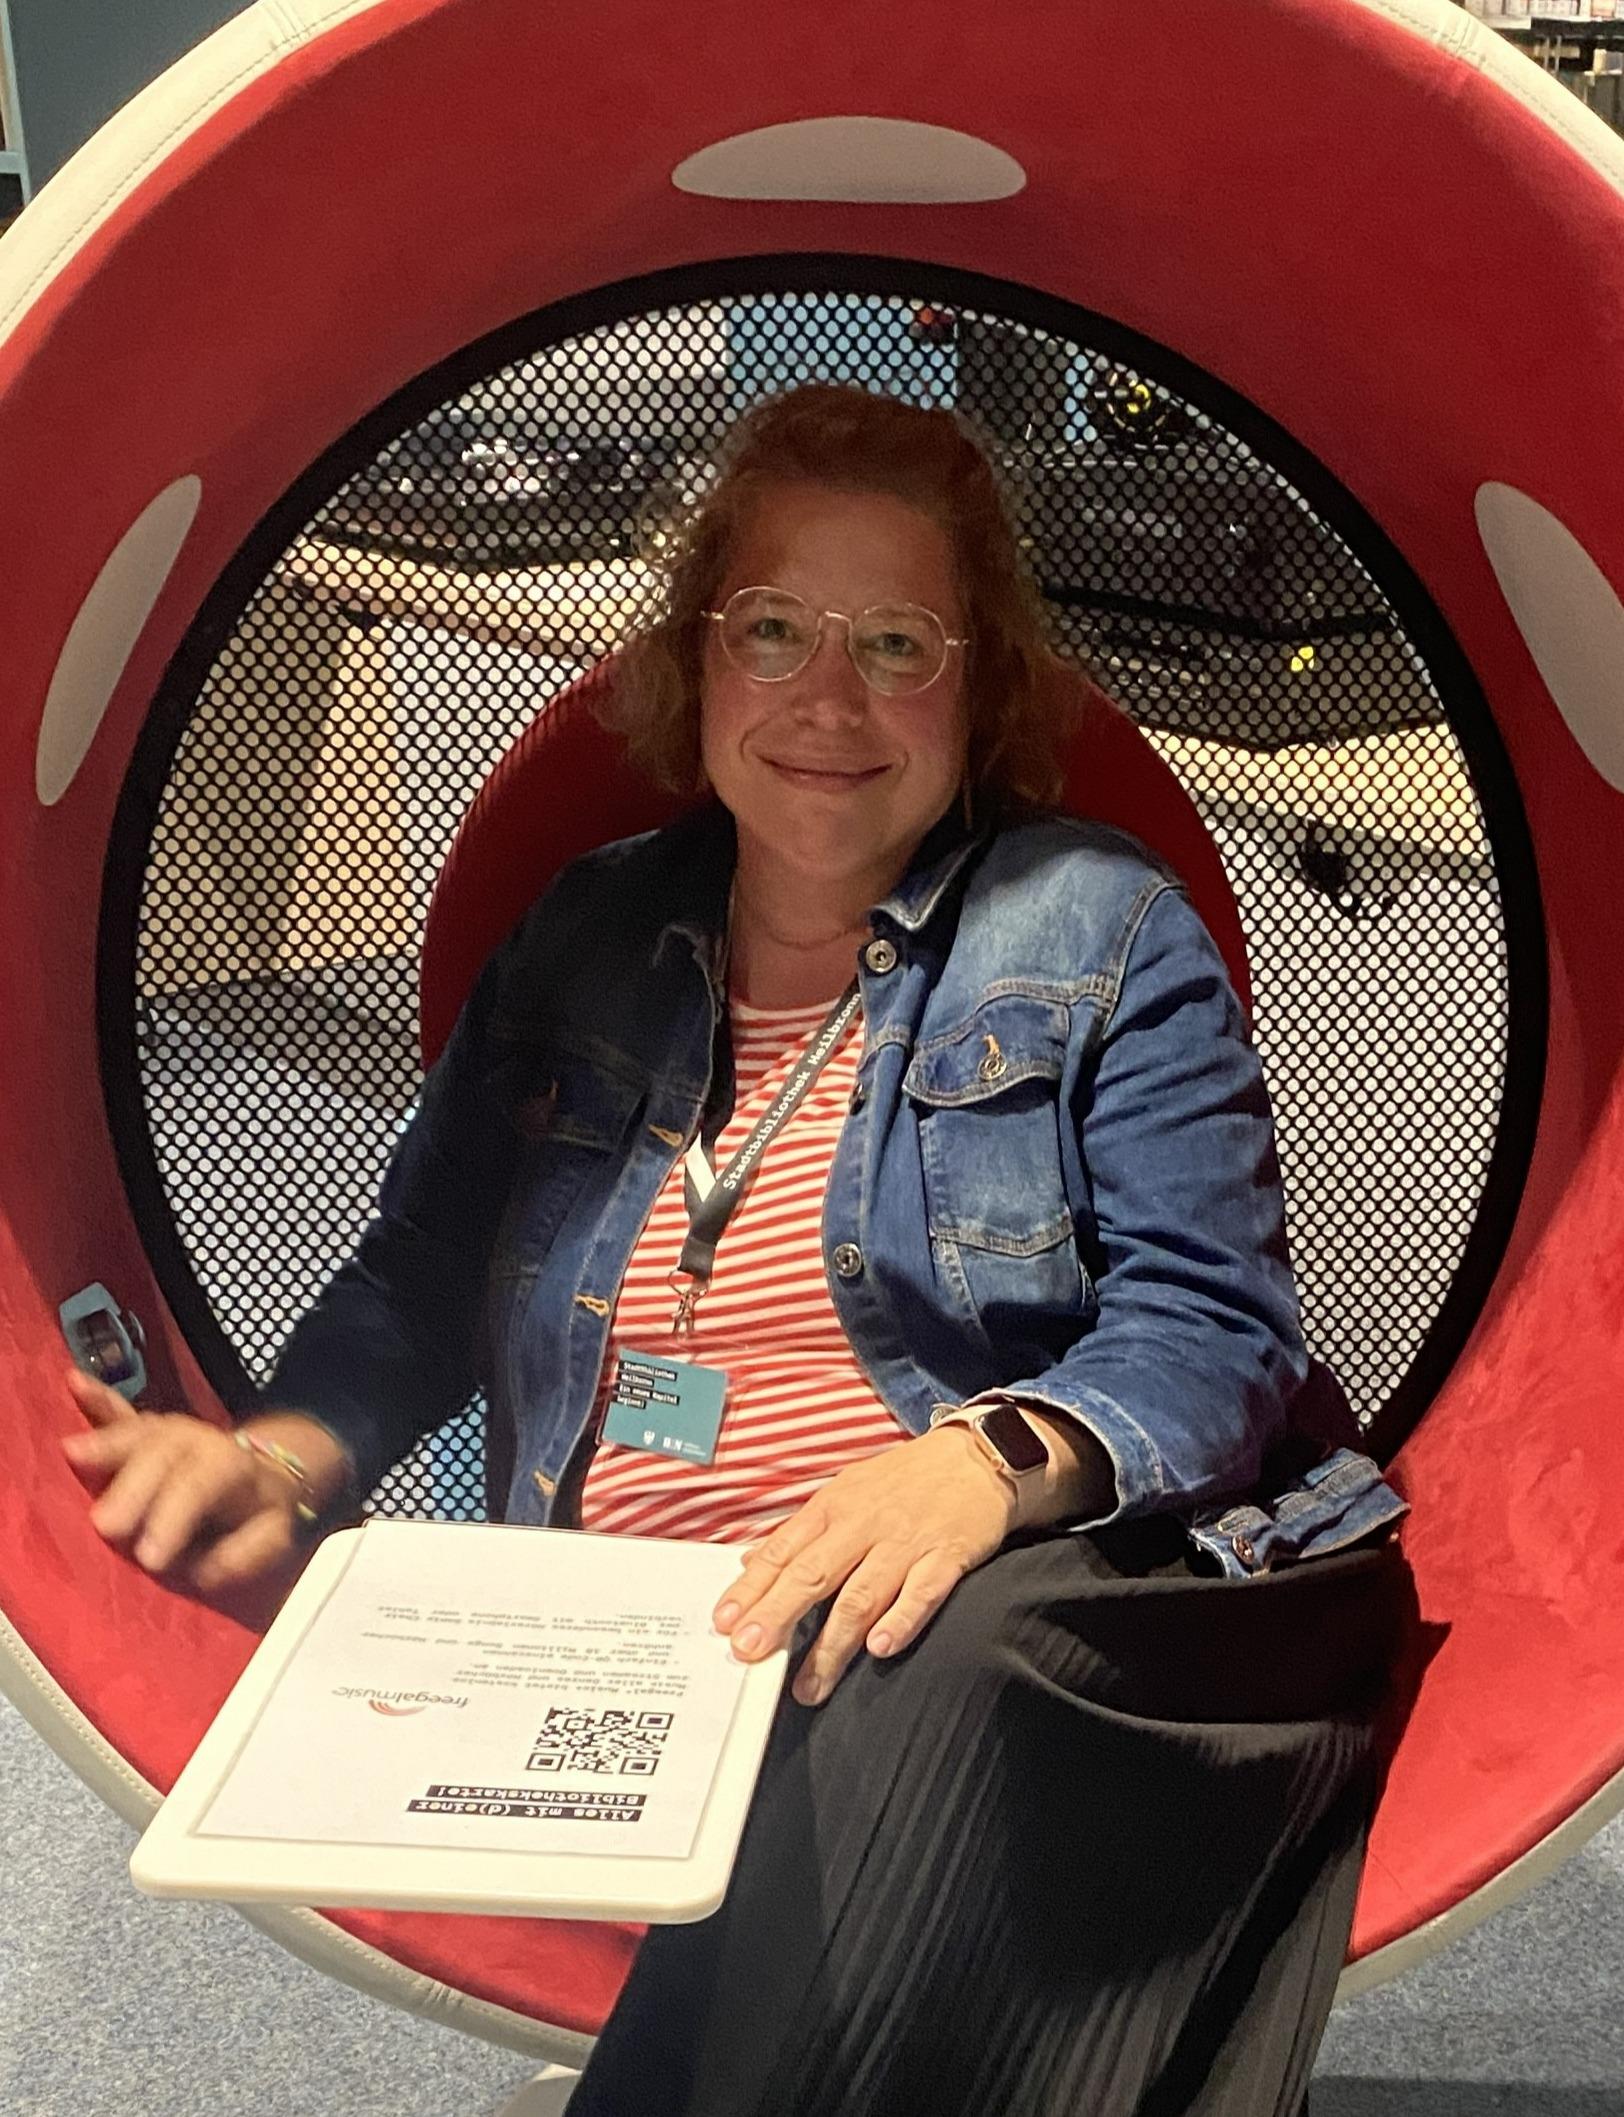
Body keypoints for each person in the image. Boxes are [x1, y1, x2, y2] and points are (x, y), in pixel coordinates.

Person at [63, 383, 1414, 2116]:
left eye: (898, 644)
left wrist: (984, 1463)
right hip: (632, 1653)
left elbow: (1216, 1331)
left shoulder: (1100, 925)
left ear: (981, 688)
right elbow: (418, 1270)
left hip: (973, 1615)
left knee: (942, 1662)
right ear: (700, 656)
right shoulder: (585, 934)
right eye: (775, 628)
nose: (828, 699)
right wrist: (284, 1451)